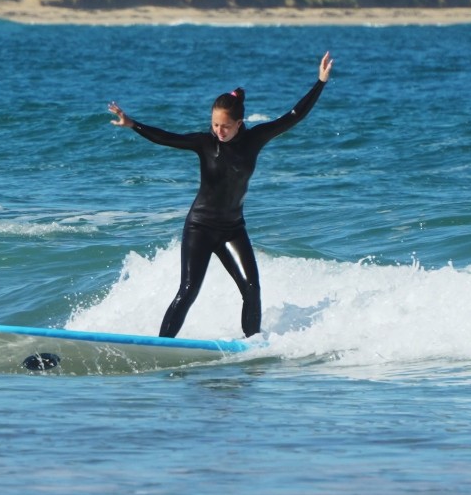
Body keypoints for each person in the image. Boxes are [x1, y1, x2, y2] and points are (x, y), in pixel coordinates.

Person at [107, 51, 332, 338]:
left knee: (252, 289)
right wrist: (133, 124)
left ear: (240, 122)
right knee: (188, 291)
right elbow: (167, 137)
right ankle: (161, 345)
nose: (219, 131)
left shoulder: (255, 139)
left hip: (233, 228)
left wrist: (320, 82)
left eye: (225, 125)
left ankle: (251, 345)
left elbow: (294, 115)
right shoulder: (204, 143)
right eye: (215, 125)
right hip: (200, 226)